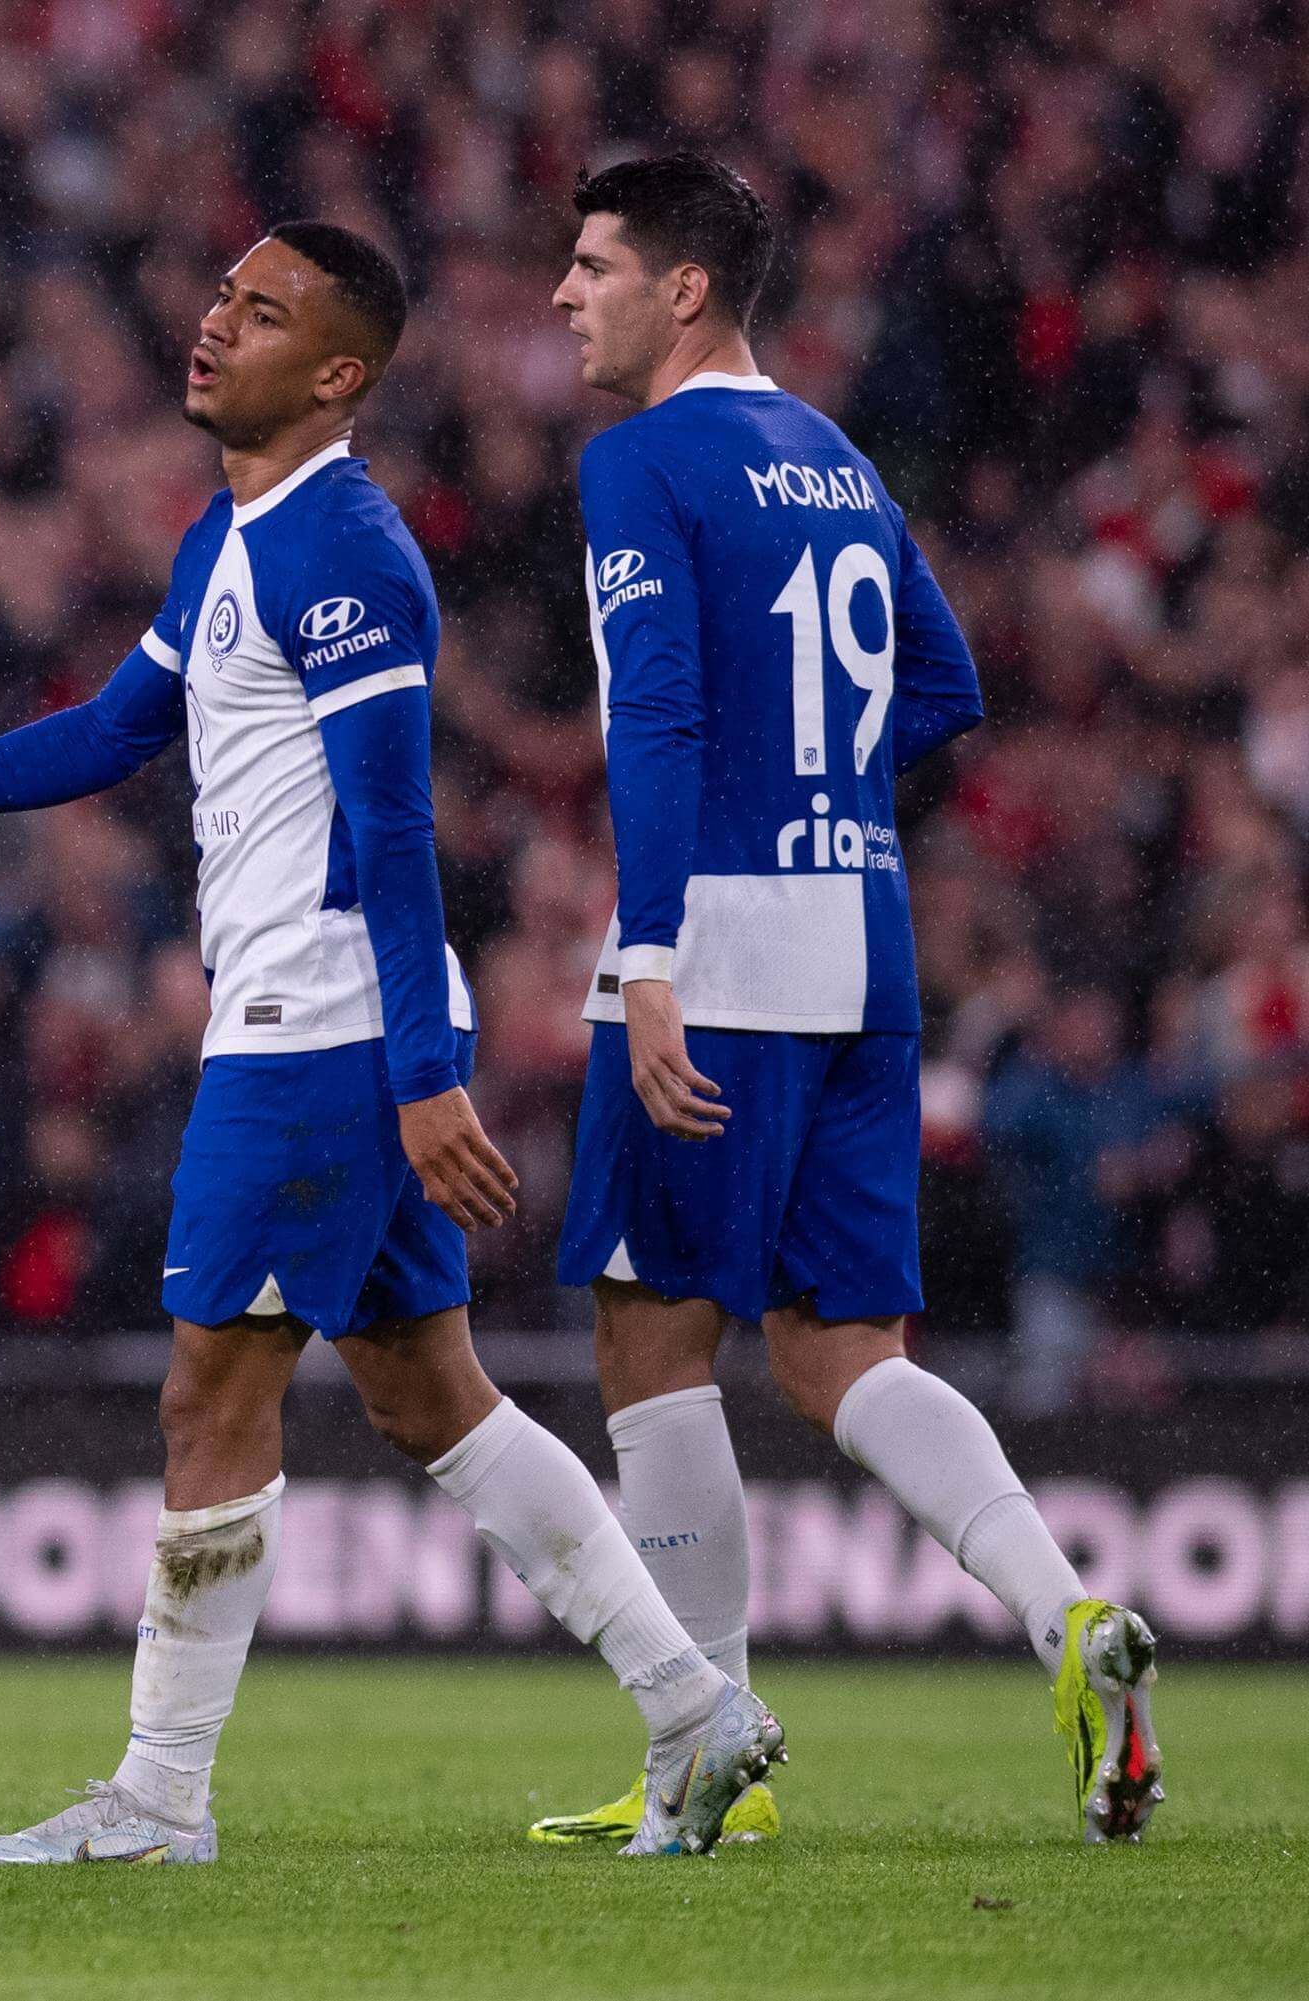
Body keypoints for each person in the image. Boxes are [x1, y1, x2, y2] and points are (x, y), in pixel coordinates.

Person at [0, 221, 779, 1864]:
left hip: (319, 1024)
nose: (216, 321)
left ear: (340, 372)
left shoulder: (348, 553)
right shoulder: (234, 537)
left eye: (265, 310)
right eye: (223, 293)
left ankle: (161, 1797)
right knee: (428, 1392)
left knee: (207, 1391)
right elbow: (108, 733)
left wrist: (422, 1075)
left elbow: (391, 820)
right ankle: (692, 1700)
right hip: (331, 1020)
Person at [532, 153, 1164, 1848]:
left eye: (594, 265)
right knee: (838, 1345)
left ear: (683, 291)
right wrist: (822, 788)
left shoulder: (639, 464)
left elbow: (653, 715)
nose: (563, 293)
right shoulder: (838, 457)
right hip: (863, 941)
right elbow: (944, 686)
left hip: (718, 943)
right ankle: (1068, 1617)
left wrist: (652, 949)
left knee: (650, 1341)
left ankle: (705, 1753)